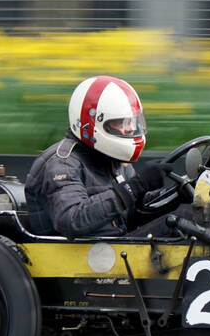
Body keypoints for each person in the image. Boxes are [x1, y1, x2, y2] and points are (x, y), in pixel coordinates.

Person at [25, 75, 182, 237]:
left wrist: (176, 195)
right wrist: (135, 187)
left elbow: (130, 216)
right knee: (182, 224)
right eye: (121, 122)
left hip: (112, 249)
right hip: (81, 256)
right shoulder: (62, 163)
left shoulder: (114, 161)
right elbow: (71, 221)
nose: (130, 129)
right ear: (91, 122)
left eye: (132, 122)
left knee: (184, 221)